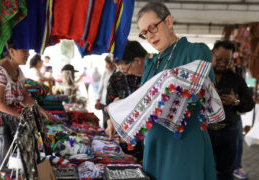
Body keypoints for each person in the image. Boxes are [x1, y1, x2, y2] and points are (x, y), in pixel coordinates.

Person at [107, 2, 220, 179]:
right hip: (154, 146)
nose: (150, 36)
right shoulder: (151, 65)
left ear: (168, 21)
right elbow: (144, 105)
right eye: (145, 33)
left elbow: (204, 92)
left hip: (184, 145)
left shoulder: (195, 51)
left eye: (153, 28)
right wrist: (119, 112)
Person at [208, 40, 254, 180]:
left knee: (226, 172)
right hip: (205, 131)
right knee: (204, 169)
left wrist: (236, 101)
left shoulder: (237, 79)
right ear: (212, 54)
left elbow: (249, 104)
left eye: (227, 60)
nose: (223, 63)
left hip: (228, 133)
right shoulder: (201, 76)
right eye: (220, 59)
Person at [105, 40, 147, 161]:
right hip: (125, 139)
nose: (124, 73)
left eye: (125, 70)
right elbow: (110, 104)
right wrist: (110, 123)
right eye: (120, 70)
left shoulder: (149, 73)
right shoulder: (116, 77)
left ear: (137, 61)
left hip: (147, 134)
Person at [0, 44, 50, 119]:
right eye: (24, 51)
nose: (28, 54)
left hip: (12, 122)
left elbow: (25, 98)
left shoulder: (18, 71)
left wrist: (41, 111)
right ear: (12, 51)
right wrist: (23, 119)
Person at [95, 56, 116, 128]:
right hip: (104, 100)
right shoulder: (105, 72)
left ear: (111, 64)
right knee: (105, 120)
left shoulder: (117, 72)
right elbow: (101, 86)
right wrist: (98, 98)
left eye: (107, 63)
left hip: (114, 101)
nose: (105, 65)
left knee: (113, 121)